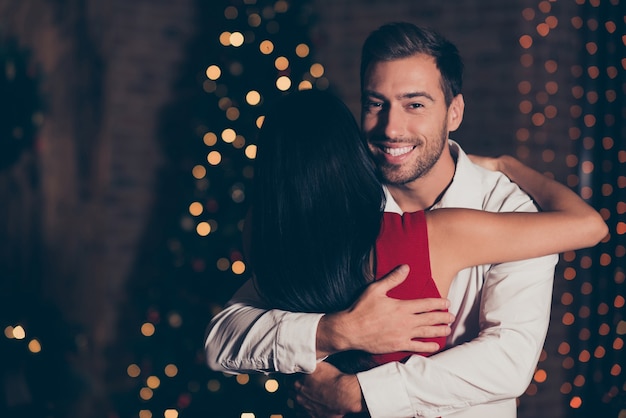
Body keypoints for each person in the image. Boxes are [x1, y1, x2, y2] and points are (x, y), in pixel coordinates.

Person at [205, 22, 607, 417]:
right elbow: (223, 340)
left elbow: (508, 360)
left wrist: (358, 391)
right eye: (376, 104)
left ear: (454, 113)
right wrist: (337, 330)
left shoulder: (509, 209)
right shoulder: (336, 202)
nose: (391, 128)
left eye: (415, 104)